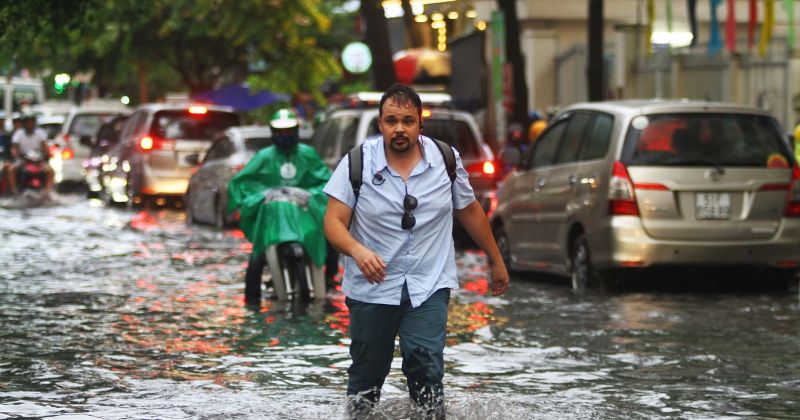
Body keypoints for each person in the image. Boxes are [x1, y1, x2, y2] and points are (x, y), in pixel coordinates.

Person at [323, 84, 509, 418]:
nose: (399, 128)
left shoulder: (445, 160)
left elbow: (469, 211)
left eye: (407, 121)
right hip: (372, 289)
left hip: (429, 283)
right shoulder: (357, 163)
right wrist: (358, 251)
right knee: (367, 377)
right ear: (380, 124)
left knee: (426, 366)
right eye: (391, 120)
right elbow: (334, 223)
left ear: (420, 124)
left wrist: (495, 260)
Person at [227, 108, 332, 304]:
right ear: (273, 132)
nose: (285, 136)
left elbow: (327, 182)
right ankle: (252, 300)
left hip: (305, 220)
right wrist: (263, 195)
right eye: (280, 131)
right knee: (257, 257)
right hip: (272, 223)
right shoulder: (264, 157)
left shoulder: (308, 154)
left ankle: (329, 280)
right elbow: (242, 183)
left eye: (289, 131)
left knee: (331, 245)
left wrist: (310, 195)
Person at [4, 114, 54, 195]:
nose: (30, 124)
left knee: (50, 171)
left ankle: (47, 192)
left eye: (32, 122)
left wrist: (48, 154)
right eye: (28, 122)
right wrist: (16, 153)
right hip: (23, 160)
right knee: (11, 170)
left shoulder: (40, 133)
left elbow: (45, 146)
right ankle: (14, 191)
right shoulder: (19, 134)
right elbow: (14, 148)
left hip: (38, 160)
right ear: (24, 123)